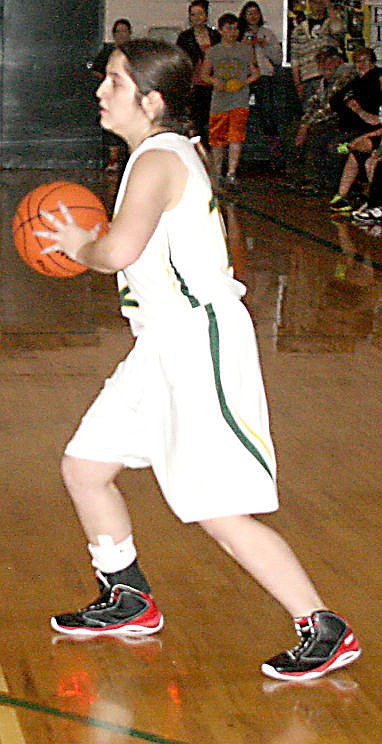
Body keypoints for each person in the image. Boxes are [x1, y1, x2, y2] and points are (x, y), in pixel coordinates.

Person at [36, 38, 361, 681]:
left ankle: (323, 627)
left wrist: (81, 243)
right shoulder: (154, 156)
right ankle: (128, 596)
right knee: (85, 466)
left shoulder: (158, 159)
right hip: (159, 341)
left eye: (115, 82)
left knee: (215, 507)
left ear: (151, 100)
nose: (102, 91)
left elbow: (119, 252)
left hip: (198, 341)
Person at [200, 13, 260, 187]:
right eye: (228, 28)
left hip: (239, 99)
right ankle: (217, 172)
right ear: (220, 30)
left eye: (235, 28)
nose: (232, 32)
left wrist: (243, 82)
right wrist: (215, 81)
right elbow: (204, 74)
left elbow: (255, 72)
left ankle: (231, 172)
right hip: (219, 100)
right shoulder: (212, 51)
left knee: (236, 137)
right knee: (217, 139)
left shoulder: (246, 50)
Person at [290, 45, 355, 192]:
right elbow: (313, 103)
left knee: (316, 134)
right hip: (329, 119)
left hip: (345, 121)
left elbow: (330, 107)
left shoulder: (345, 76)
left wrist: (307, 126)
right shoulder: (324, 80)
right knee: (293, 130)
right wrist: (304, 123)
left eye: (327, 60)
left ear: (338, 60)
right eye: (320, 61)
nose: (324, 64)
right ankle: (299, 177)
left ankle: (315, 181)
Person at [329, 47, 382, 213]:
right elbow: (337, 101)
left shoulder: (373, 80)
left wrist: (359, 112)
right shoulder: (355, 83)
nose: (363, 64)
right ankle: (341, 196)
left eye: (366, 60)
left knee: (369, 158)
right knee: (354, 154)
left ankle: (375, 203)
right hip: (367, 130)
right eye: (359, 61)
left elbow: (374, 122)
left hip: (373, 132)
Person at [176, 0, 220, 147]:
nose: (197, 18)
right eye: (193, 14)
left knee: (213, 122)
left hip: (213, 84)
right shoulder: (184, 37)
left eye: (200, 14)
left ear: (206, 16)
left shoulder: (215, 36)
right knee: (196, 123)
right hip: (194, 85)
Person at [290, 0, 344, 111]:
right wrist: (298, 84)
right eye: (315, 2)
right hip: (308, 77)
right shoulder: (299, 29)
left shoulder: (331, 22)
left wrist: (329, 5)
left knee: (331, 112)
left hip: (330, 76)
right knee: (310, 113)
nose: (318, 6)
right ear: (310, 3)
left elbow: (337, 29)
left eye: (321, 2)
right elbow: (295, 58)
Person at [90, 18, 132, 172]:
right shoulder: (108, 52)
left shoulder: (133, 52)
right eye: (118, 32)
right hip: (113, 95)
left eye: (125, 31)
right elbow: (96, 69)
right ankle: (113, 159)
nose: (122, 35)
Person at [238, 0, 282, 137]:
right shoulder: (237, 33)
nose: (253, 16)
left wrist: (265, 45)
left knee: (266, 108)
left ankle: (270, 138)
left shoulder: (268, 34)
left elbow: (278, 59)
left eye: (256, 13)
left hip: (264, 74)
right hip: (244, 76)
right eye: (249, 13)